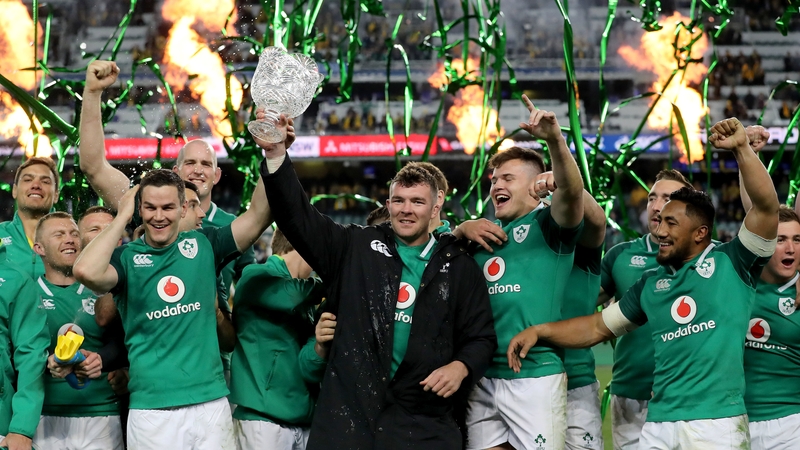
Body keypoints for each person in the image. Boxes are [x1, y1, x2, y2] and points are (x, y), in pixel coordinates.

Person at [507, 117, 779, 449]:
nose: (660, 230)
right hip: (658, 424)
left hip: (717, 423)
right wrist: (541, 331)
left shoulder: (734, 263)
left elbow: (765, 207)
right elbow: (596, 327)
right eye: (659, 219)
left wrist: (741, 149)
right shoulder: (651, 285)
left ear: (700, 233)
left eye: (671, 223)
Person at [255, 112, 496, 450]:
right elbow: (298, 218)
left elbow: (481, 337)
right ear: (388, 203)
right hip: (349, 422)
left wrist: (461, 366)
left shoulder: (458, 265)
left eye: (417, 202)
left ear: (436, 205)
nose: (406, 210)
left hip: (423, 425)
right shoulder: (355, 247)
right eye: (398, 201)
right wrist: (276, 153)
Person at [73, 168, 272, 449]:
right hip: (151, 411)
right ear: (139, 209)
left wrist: (273, 154)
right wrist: (121, 217)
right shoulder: (126, 258)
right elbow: (84, 270)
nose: (158, 216)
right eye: (150, 207)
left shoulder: (205, 244)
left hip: (210, 405)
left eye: (168, 207)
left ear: (183, 208)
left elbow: (259, 215)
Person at [458, 96, 585, 450]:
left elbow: (573, 193)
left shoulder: (549, 225)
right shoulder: (482, 235)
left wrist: (555, 141)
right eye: (494, 179)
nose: (496, 185)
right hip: (483, 376)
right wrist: (460, 229)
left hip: (534, 375)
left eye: (507, 178)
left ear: (535, 185)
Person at [598, 169, 691, 449]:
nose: (656, 204)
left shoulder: (710, 257)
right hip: (630, 394)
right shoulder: (620, 256)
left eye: (668, 198)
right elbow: (579, 305)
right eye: (652, 197)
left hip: (687, 396)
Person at [31, 213, 124, 449]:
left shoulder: (104, 289)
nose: (70, 239)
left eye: (74, 234)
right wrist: (46, 362)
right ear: (38, 248)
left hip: (101, 412)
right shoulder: (26, 294)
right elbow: (14, 352)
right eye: (59, 234)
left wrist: (102, 360)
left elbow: (122, 342)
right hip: (43, 415)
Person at [229, 228, 326, 449]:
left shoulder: (308, 303)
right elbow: (293, 294)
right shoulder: (256, 276)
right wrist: (334, 283)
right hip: (263, 421)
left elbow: (309, 364)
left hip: (303, 419)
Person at [743, 206, 800, 449]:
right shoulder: (738, 281)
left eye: (797, 240)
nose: (791, 248)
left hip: (791, 424)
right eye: (781, 240)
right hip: (735, 423)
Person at [0, 157, 59, 278]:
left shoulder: (74, 239)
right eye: (27, 180)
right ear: (15, 190)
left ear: (56, 195)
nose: (36, 185)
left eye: (45, 182)